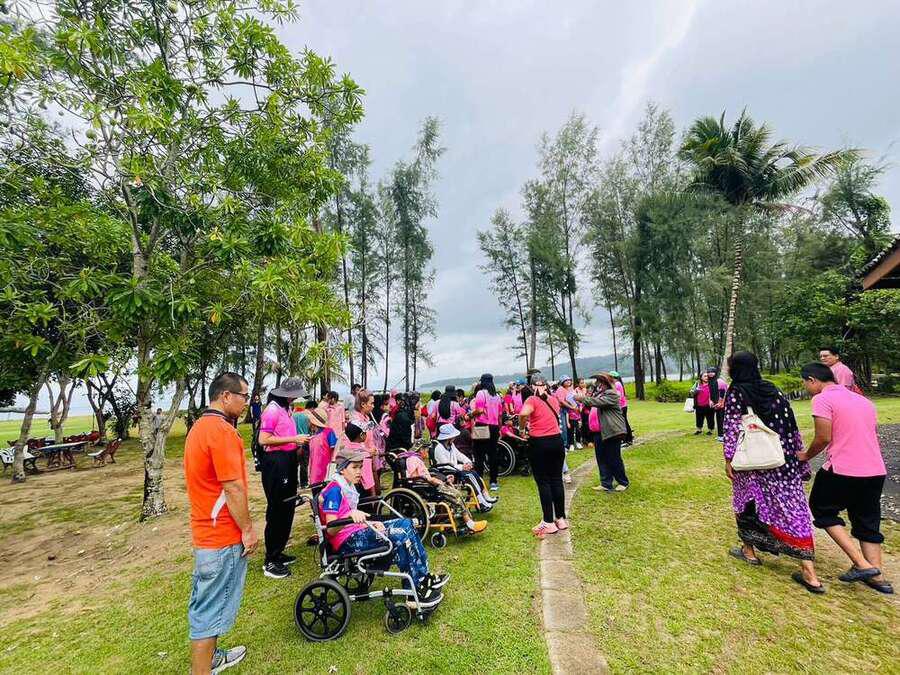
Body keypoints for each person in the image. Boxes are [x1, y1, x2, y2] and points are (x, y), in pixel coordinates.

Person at [722, 352, 822, 593]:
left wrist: (728, 458)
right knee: (792, 509)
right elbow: (790, 424)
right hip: (782, 460)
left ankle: (749, 551)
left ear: (736, 369)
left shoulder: (736, 392)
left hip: (752, 463)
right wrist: (798, 456)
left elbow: (731, 428)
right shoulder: (772, 390)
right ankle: (809, 571)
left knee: (746, 504)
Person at [184, 372, 257, 674]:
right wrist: (248, 530)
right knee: (208, 612)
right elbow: (233, 488)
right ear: (226, 396)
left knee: (206, 604)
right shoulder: (222, 432)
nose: (246, 402)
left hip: (205, 533)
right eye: (244, 396)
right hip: (221, 537)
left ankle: (212, 658)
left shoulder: (199, 428)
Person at [797, 363, 892, 594]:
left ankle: (861, 564)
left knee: (822, 510)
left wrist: (806, 455)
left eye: (805, 383)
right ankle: (877, 575)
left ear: (812, 380)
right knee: (867, 519)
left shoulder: (822, 399)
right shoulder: (863, 401)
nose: (806, 387)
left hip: (843, 468)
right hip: (874, 469)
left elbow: (823, 436)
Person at [320, 448, 448, 608]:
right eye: (355, 467)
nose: (359, 471)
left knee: (407, 524)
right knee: (402, 533)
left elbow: (350, 518)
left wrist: (370, 523)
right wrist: (350, 516)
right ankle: (416, 587)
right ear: (342, 469)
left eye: (360, 467)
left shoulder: (346, 487)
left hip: (356, 532)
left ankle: (422, 578)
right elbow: (331, 528)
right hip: (348, 542)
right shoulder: (334, 490)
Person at [257, 377, 310, 580]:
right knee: (277, 508)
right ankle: (270, 559)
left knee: (288, 505)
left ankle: (278, 551)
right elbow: (263, 440)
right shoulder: (272, 410)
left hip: (288, 459)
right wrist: (294, 439)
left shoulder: (286, 408)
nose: (296, 398)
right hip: (276, 462)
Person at [518, 372, 568, 538]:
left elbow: (523, 414)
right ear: (546, 385)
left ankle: (548, 522)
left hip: (539, 442)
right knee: (556, 479)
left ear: (531, 386)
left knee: (543, 481)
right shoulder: (553, 399)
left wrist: (522, 428)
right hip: (557, 441)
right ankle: (560, 518)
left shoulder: (532, 400)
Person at [401, 442, 487, 533]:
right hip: (424, 487)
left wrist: (444, 479)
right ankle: (468, 523)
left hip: (428, 485)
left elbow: (424, 475)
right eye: (426, 450)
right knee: (455, 495)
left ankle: (465, 522)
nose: (427, 452)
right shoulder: (413, 459)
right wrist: (434, 480)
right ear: (421, 450)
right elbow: (413, 477)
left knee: (455, 493)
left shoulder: (416, 458)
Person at [578, 374, 629, 492]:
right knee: (601, 458)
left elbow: (596, 402)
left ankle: (622, 482)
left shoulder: (612, 394)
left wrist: (582, 398)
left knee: (613, 458)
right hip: (598, 432)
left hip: (611, 431)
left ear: (606, 383)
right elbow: (590, 405)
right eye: (597, 382)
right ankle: (606, 483)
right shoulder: (599, 394)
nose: (598, 384)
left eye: (600, 382)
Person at [433, 423, 497, 511]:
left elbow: (459, 455)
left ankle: (485, 496)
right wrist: (462, 467)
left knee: (474, 473)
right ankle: (481, 501)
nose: (454, 438)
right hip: (447, 473)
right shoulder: (439, 448)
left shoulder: (451, 445)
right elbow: (446, 465)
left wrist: (468, 462)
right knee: (470, 476)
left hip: (456, 470)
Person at [470, 373, 504, 492]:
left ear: (482, 382)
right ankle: (493, 481)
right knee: (492, 454)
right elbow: (500, 415)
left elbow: (479, 410)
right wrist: (499, 428)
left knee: (479, 454)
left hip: (482, 425)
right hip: (494, 426)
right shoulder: (497, 396)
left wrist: (470, 414)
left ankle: (479, 481)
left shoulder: (481, 393)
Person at [347, 390, 378, 496]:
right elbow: (353, 445)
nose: (373, 406)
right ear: (363, 404)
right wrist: (369, 451)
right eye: (371, 403)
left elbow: (370, 440)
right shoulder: (355, 422)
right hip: (359, 464)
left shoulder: (366, 419)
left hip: (368, 461)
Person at [307, 409, 338, 486]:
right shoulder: (312, 436)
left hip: (325, 470)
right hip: (314, 471)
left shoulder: (329, 432)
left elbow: (335, 450)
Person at [609, 371, 633, 445]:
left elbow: (618, 396)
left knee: (623, 423)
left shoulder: (617, 384)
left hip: (621, 406)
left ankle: (628, 439)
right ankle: (627, 438)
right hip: (623, 406)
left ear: (613, 378)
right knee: (624, 422)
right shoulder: (618, 383)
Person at [707, 366, 728, 441]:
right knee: (718, 419)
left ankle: (723, 436)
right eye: (709, 372)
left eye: (712, 372)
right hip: (716, 403)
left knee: (721, 419)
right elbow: (711, 393)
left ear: (715, 373)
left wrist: (720, 402)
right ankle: (720, 435)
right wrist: (711, 401)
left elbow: (723, 392)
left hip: (722, 403)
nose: (710, 373)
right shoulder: (710, 382)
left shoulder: (719, 381)